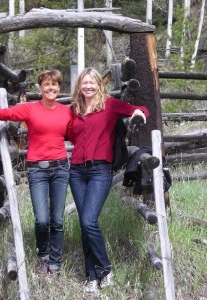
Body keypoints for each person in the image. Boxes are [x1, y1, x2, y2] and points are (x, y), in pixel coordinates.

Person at [0, 69, 72, 275]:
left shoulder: (66, 111)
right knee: (42, 219)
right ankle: (43, 257)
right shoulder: (30, 109)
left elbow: (77, 132)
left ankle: (56, 262)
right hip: (37, 170)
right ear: (40, 88)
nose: (51, 88)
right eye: (46, 84)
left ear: (59, 87)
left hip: (60, 169)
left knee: (57, 219)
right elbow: (9, 113)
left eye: (54, 84)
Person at [69, 67, 149, 293]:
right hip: (75, 171)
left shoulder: (110, 105)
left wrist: (139, 114)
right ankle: (91, 276)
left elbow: (138, 109)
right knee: (84, 225)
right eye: (84, 83)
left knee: (88, 221)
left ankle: (105, 268)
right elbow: (61, 131)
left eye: (92, 82)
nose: (88, 86)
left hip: (99, 171)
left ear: (99, 84)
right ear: (79, 86)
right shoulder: (74, 109)